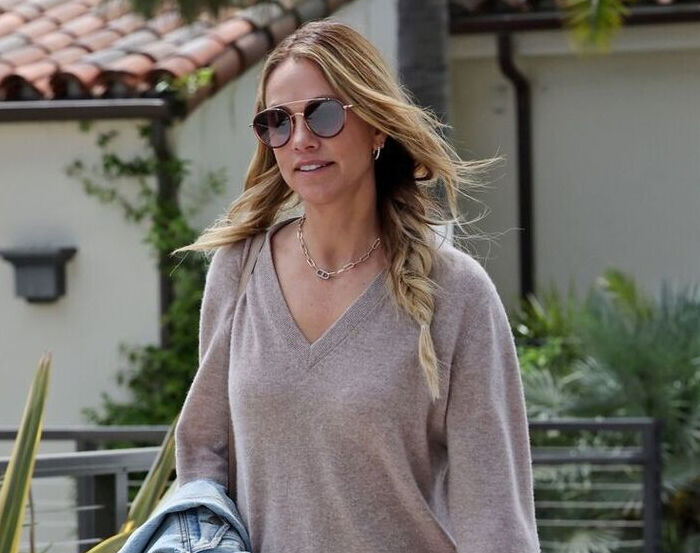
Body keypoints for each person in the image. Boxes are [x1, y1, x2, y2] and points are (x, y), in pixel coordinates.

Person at [171, 19, 541, 553]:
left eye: (323, 114)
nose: (301, 139)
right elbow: (204, 450)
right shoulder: (238, 270)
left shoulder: (455, 293)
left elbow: (494, 514)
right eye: (278, 122)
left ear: (376, 128)